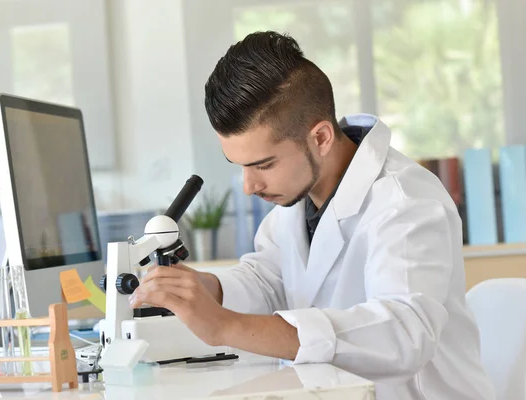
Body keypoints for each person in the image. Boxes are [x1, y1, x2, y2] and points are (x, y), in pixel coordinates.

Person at [130, 31, 495, 399]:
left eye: (264, 164)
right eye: (239, 165)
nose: (249, 186)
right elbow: (270, 279)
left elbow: (403, 334)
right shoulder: (298, 195)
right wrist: (210, 288)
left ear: (320, 138)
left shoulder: (405, 202)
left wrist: (224, 326)